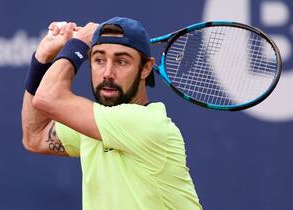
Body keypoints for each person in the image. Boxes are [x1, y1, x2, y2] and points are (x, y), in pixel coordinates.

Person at [21, 17, 202, 210]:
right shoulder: (94, 125)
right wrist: (42, 58)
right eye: (99, 60)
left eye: (121, 62)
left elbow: (47, 98)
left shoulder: (146, 123)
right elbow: (35, 136)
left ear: (146, 68)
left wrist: (79, 44)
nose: (108, 72)